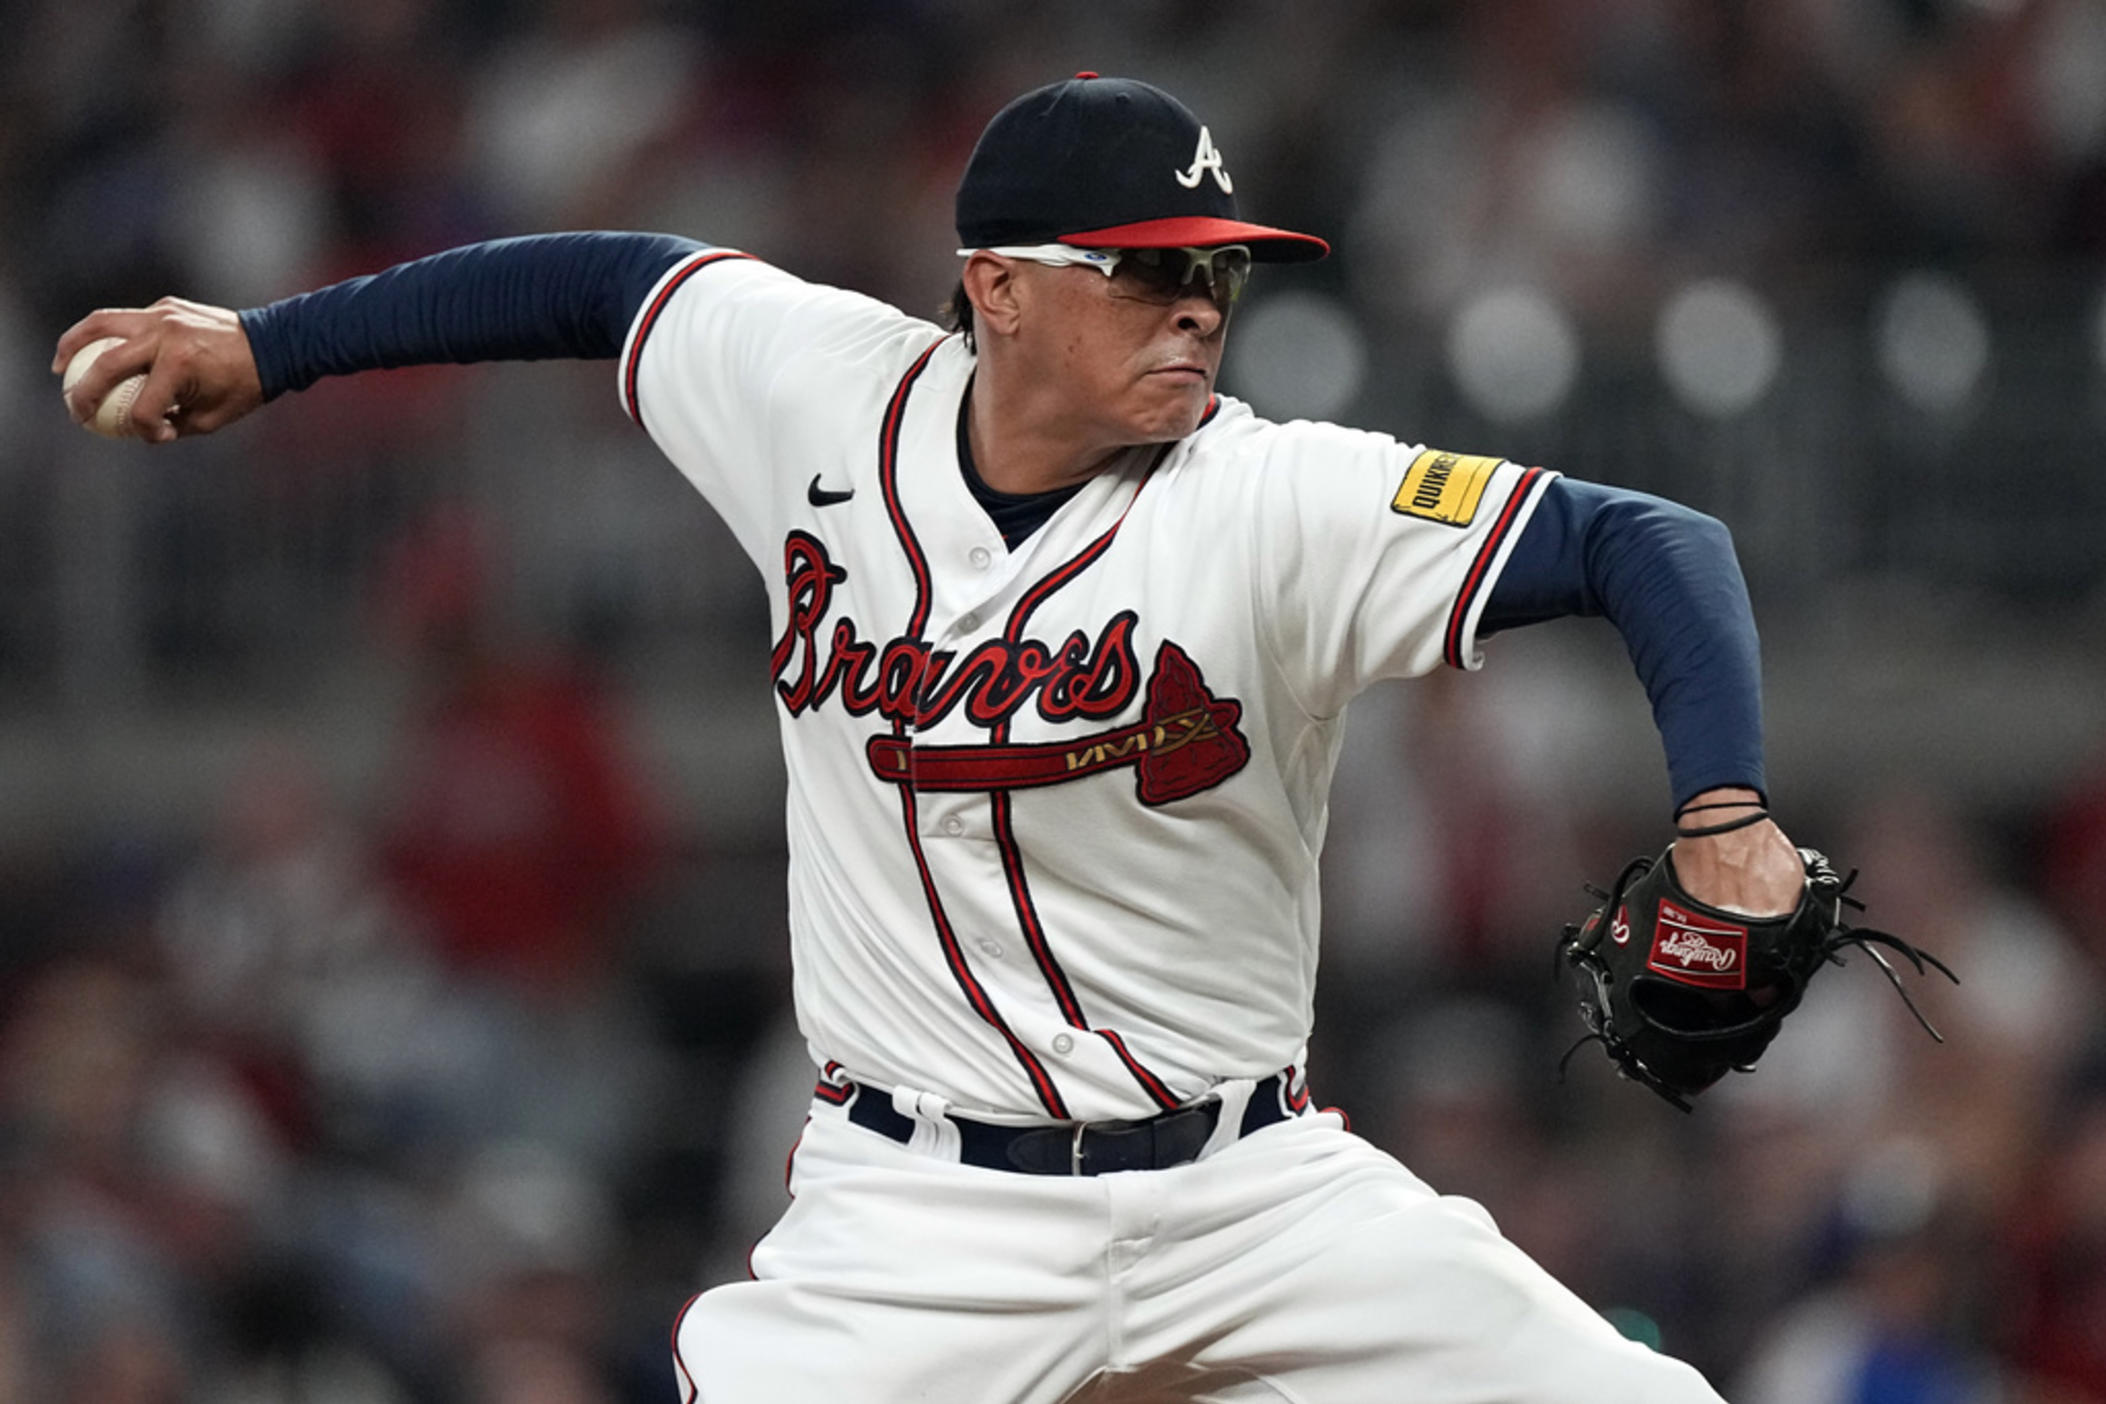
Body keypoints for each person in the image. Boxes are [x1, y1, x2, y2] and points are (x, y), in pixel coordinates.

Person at [56, 73, 1803, 1404]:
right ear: (997, 289)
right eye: (1140, 275)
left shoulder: (1285, 498)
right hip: (917, 1222)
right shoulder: (816, 393)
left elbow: (1652, 543)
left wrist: (1721, 806)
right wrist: (269, 348)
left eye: (1215, 273)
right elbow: (601, 277)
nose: (1196, 306)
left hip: (1254, 1196)